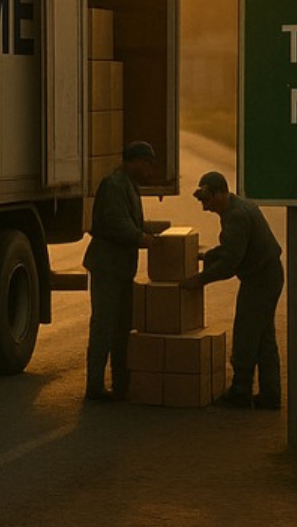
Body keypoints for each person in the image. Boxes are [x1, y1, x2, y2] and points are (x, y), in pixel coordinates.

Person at [183, 170, 284, 409]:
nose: (205, 208)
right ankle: (270, 394)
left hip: (260, 278)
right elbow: (232, 247)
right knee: (263, 337)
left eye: (207, 201)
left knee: (246, 332)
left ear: (220, 193)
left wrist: (198, 280)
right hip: (267, 274)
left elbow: (230, 263)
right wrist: (208, 255)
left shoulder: (236, 216)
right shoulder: (237, 206)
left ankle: (241, 390)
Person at [83, 140, 158, 401]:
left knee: (121, 326)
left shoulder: (129, 185)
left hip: (121, 268)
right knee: (104, 325)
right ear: (135, 161)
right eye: (147, 164)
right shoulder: (115, 185)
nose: (150, 170)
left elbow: (130, 221)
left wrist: (152, 232)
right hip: (107, 267)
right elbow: (117, 223)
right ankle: (94, 386)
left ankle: (120, 383)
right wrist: (142, 238)